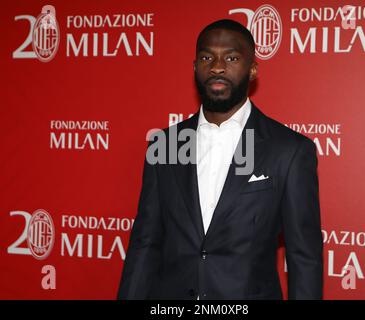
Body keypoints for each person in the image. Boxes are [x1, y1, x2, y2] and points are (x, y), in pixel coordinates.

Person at [117, 19, 323, 300]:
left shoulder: (289, 150)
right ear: (194, 67)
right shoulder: (164, 145)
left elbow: (304, 258)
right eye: (206, 57)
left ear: (252, 69)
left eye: (232, 57)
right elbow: (145, 243)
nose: (217, 67)